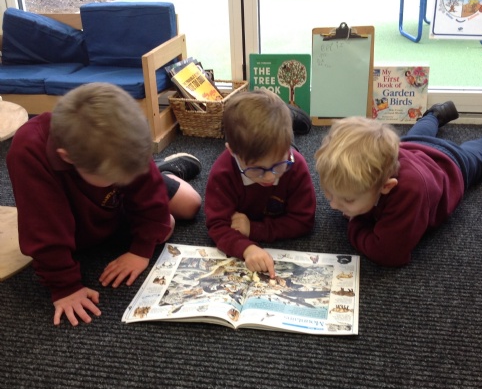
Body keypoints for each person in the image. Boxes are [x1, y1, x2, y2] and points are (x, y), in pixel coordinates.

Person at [6, 82, 202, 326]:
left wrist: (140, 251)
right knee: (167, 223)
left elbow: (149, 195)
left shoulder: (122, 139)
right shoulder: (28, 152)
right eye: (118, 175)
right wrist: (65, 286)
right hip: (79, 214)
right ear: (69, 158)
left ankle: (164, 169)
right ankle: (145, 173)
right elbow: (43, 230)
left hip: (114, 187)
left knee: (190, 204)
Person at [315, 101, 482, 267]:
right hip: (411, 146)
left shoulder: (409, 193)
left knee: (481, 152)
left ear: (386, 186)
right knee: (418, 134)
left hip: (450, 163)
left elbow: (387, 253)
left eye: (348, 199)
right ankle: (434, 115)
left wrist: (355, 223)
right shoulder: (382, 160)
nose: (333, 205)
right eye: (329, 194)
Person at [204, 88, 316, 278]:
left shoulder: (295, 165)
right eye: (256, 170)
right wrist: (246, 248)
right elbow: (216, 225)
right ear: (232, 152)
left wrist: (254, 230)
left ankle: (291, 117)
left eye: (278, 165)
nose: (270, 177)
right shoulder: (223, 172)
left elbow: (304, 221)